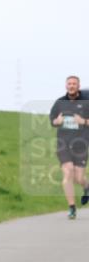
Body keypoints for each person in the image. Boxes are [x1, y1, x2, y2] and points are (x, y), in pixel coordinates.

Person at [48, 75, 88, 219]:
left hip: (81, 144)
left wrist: (83, 121)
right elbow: (52, 119)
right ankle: (72, 207)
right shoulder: (60, 102)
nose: (71, 86)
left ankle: (86, 187)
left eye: (74, 84)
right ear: (66, 86)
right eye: (69, 84)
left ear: (78, 86)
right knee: (68, 172)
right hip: (63, 144)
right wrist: (56, 121)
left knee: (79, 178)